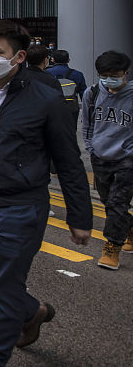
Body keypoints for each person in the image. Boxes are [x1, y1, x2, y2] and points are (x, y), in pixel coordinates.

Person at [0, 20, 92, 365]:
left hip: (22, 205)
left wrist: (80, 215)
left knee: (8, 285)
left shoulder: (46, 97)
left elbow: (68, 160)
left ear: (19, 56)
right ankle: (34, 311)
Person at [82, 50, 133, 269]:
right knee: (107, 202)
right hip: (100, 156)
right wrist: (91, 147)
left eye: (115, 74)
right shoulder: (92, 93)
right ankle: (128, 227)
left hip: (127, 159)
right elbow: (86, 124)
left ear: (125, 73)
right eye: (104, 74)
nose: (109, 79)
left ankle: (112, 246)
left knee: (117, 203)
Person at [47, 49, 88, 129]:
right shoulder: (78, 74)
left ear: (53, 59)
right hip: (71, 108)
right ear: (68, 60)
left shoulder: (46, 73)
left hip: (51, 108)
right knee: (70, 132)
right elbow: (84, 95)